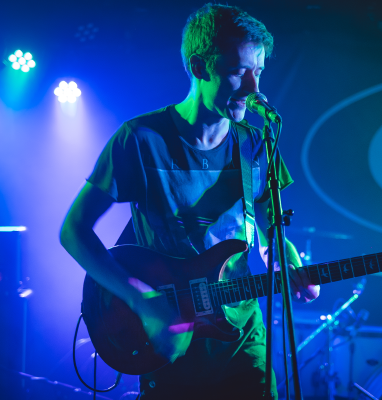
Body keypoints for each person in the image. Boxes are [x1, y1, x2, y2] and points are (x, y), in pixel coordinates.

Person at [60, 4, 319, 399]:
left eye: (259, 71)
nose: (254, 87)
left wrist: (288, 259)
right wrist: (142, 300)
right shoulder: (141, 140)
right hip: (168, 341)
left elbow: (269, 234)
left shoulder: (255, 143)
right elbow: (73, 232)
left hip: (241, 338)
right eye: (238, 71)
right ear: (200, 68)